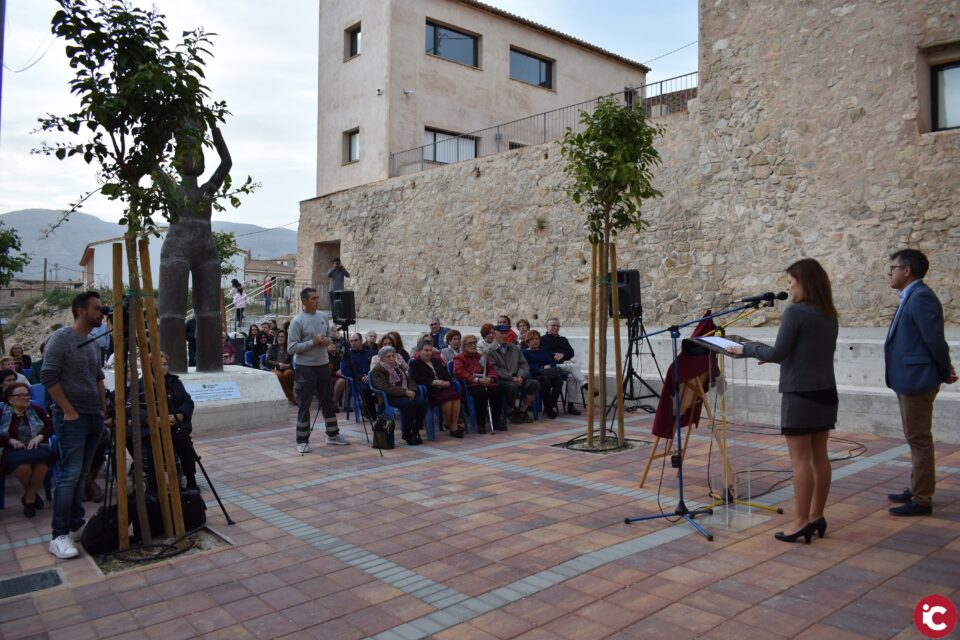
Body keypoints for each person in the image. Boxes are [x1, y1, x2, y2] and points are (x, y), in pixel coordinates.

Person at [727, 258, 838, 544]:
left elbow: (778, 353)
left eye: (791, 282)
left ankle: (800, 522)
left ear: (804, 282)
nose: (789, 287)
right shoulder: (828, 313)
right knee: (820, 457)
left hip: (800, 393)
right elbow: (803, 352)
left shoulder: (796, 312)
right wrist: (771, 354)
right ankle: (817, 515)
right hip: (826, 392)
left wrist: (746, 349)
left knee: (800, 461)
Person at [883, 249, 957, 516]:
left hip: (917, 379)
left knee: (920, 439)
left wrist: (945, 370)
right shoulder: (911, 296)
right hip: (907, 378)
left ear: (907, 270)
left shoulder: (921, 297)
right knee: (914, 437)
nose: (889, 274)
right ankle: (917, 488)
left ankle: (922, 499)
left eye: (892, 268)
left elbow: (934, 340)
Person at [41, 290, 108, 559]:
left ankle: (75, 523)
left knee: (81, 474)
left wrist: (102, 408)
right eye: (97, 308)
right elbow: (48, 376)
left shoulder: (93, 343)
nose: (101, 313)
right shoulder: (61, 339)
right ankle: (58, 534)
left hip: (93, 416)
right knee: (69, 475)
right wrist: (68, 410)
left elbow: (98, 376)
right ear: (81, 311)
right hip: (71, 418)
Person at [288, 287, 348, 451]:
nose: (317, 301)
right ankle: (302, 441)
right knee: (304, 403)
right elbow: (291, 348)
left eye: (317, 298)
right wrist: (313, 342)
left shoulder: (322, 316)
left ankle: (332, 434)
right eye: (313, 298)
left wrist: (326, 340)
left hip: (323, 365)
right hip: (305, 368)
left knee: (328, 400)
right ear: (304, 301)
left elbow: (329, 338)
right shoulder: (298, 321)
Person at [0, 382, 55, 518]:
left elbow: (50, 426)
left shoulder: (35, 409)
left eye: (27, 395)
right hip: (12, 449)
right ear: (10, 399)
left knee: (42, 463)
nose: (25, 398)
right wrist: (10, 440)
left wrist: (40, 437)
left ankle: (29, 498)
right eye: (20, 395)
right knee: (23, 466)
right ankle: (32, 495)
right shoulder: (3, 413)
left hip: (36, 447)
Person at [159, 352, 201, 492]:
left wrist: (179, 415)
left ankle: (191, 480)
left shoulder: (174, 382)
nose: (163, 367)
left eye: (165, 364)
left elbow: (188, 401)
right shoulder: (143, 384)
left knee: (183, 440)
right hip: (156, 425)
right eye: (160, 365)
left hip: (176, 423)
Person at [371, 346, 427, 445]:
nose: (392, 358)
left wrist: (412, 390)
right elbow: (385, 387)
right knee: (408, 404)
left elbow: (410, 379)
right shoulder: (378, 370)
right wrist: (404, 392)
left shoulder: (398, 367)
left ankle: (416, 430)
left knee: (422, 402)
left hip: (405, 392)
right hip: (389, 396)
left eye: (393, 356)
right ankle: (407, 432)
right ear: (382, 358)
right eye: (388, 357)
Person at [453, 335, 505, 433]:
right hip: (470, 385)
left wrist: (490, 378)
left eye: (474, 343)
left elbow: (491, 368)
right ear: (464, 346)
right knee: (480, 393)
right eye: (470, 343)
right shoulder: (459, 358)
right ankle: (481, 424)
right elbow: (459, 372)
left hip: (485, 382)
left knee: (497, 391)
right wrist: (476, 380)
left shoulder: (481, 356)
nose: (473, 345)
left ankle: (496, 422)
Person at [410, 341, 463, 438]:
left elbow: (446, 374)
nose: (428, 353)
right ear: (419, 351)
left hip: (444, 387)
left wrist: (448, 382)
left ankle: (453, 426)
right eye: (426, 350)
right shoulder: (415, 363)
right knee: (447, 399)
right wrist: (434, 382)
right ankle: (449, 423)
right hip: (430, 390)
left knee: (456, 397)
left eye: (430, 350)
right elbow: (415, 378)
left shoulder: (436, 361)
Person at [489, 324, 540, 424]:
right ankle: (511, 410)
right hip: (502, 380)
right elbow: (495, 369)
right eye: (502, 333)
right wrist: (511, 378)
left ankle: (522, 410)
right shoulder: (490, 350)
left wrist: (520, 376)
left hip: (518, 377)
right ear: (495, 334)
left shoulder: (514, 348)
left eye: (506, 333)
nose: (504, 336)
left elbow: (524, 364)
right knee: (512, 386)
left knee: (534, 384)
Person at [541, 318, 591, 416]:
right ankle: (585, 384)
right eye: (553, 325)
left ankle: (570, 405)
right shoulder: (542, 340)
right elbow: (544, 353)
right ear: (547, 327)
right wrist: (556, 356)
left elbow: (571, 352)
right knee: (572, 366)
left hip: (563, 366)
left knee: (572, 377)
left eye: (558, 326)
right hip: (551, 366)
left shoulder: (563, 339)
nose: (556, 327)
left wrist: (563, 355)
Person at [522, 330, 564, 419]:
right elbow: (526, 366)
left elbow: (552, 362)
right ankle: (548, 408)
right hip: (535, 375)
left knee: (559, 380)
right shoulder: (525, 352)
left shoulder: (543, 351)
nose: (535, 341)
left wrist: (549, 365)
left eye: (537, 339)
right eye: (532, 339)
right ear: (528, 342)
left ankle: (551, 404)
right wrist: (540, 368)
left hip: (547, 373)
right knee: (545, 382)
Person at [340, 333, 376, 418]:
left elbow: (376, 366)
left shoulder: (369, 353)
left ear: (361, 340)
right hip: (357, 381)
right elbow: (345, 371)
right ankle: (373, 415)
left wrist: (369, 375)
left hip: (371, 378)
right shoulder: (347, 355)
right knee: (365, 390)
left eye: (356, 340)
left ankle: (382, 413)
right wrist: (360, 377)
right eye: (351, 341)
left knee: (383, 389)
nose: (353, 343)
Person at [265, 329, 297, 404]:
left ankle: (288, 396)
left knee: (288, 373)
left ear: (286, 338)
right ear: (276, 338)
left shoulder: (290, 347)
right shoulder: (271, 347)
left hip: (287, 367)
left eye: (282, 336)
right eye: (279, 336)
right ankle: (291, 396)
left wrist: (288, 365)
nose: (280, 338)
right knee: (279, 375)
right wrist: (278, 364)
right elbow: (267, 360)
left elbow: (295, 360)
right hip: (275, 367)